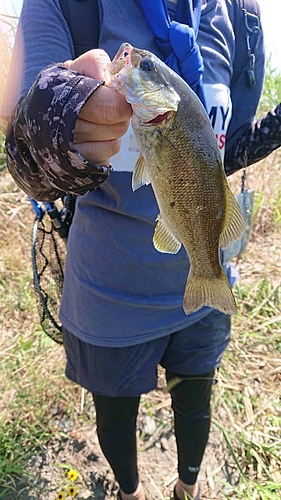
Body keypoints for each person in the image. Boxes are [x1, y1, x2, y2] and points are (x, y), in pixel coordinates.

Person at [2, 1, 281, 499]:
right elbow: (23, 146)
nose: (133, 60)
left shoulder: (237, 14)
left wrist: (276, 125)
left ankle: (186, 488)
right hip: (109, 291)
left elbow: (225, 148)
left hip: (204, 273)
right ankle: (129, 492)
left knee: (195, 403)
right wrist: (55, 115)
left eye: (144, 67)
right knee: (115, 415)